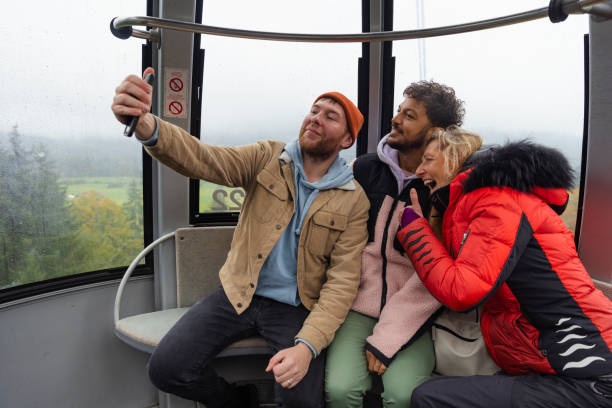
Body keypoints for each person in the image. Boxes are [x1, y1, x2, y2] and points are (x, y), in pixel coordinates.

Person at [111, 67, 370, 408]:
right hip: (238, 293)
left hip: (296, 307)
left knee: (303, 402)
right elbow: (206, 160)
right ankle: (237, 401)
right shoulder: (267, 158)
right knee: (167, 369)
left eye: (331, 116)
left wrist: (306, 347)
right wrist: (148, 127)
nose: (316, 118)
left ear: (347, 140)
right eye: (314, 110)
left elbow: (342, 283)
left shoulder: (354, 199)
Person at [397, 127, 612, 407]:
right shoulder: (485, 202)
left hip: (593, 373)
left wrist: (415, 230)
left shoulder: (497, 200)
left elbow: (461, 290)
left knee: (429, 397)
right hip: (560, 364)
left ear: (454, 159)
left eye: (428, 160)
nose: (419, 170)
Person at [325, 81, 465, 407]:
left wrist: (386, 339)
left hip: (414, 312)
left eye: (409, 115)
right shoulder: (364, 169)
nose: (396, 119)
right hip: (357, 305)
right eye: (400, 111)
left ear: (434, 131)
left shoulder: (442, 190)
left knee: (404, 395)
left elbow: (437, 275)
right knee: (339, 390)